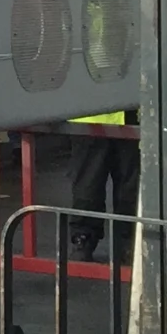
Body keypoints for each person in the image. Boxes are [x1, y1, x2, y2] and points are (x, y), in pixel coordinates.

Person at [67, 111, 139, 262]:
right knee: (88, 187)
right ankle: (83, 238)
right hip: (91, 118)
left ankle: (127, 241)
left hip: (128, 117)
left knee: (129, 189)